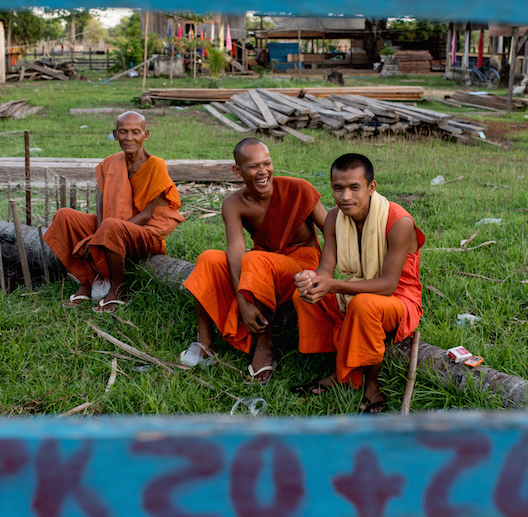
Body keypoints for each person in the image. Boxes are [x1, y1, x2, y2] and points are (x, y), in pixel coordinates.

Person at [182, 138, 327, 383]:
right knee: (208, 258)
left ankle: (265, 343)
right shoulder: (233, 203)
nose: (263, 172)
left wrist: (326, 273)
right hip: (260, 264)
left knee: (255, 259)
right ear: (237, 171)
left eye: (267, 163)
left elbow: (331, 232)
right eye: (253, 167)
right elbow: (236, 249)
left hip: (300, 265)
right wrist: (243, 302)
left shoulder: (299, 189)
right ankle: (205, 342)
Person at [293, 153, 425, 413]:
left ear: (371, 187)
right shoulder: (333, 218)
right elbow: (326, 270)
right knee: (305, 295)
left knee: (364, 305)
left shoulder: (399, 221)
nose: (345, 197)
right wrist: (311, 278)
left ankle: (372, 382)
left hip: (399, 299)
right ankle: (340, 365)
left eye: (355, 188)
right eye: (338, 188)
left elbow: (388, 285)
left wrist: (335, 286)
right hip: (357, 288)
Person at [43, 111, 184, 312]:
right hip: (112, 228)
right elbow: (101, 207)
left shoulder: (156, 166)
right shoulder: (111, 163)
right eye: (123, 132)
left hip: (146, 234)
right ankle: (88, 280)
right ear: (115, 134)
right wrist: (100, 234)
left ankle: (119, 290)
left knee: (110, 226)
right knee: (65, 216)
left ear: (146, 134)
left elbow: (146, 215)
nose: (129, 138)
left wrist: (98, 237)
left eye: (136, 132)